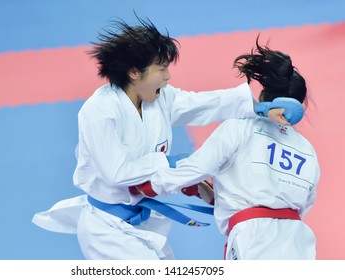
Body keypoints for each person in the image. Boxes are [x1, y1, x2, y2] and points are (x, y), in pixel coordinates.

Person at [32, 16, 305, 260]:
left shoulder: (160, 98)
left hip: (148, 219)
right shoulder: (99, 112)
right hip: (108, 229)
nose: (168, 76)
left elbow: (203, 104)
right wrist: (177, 166)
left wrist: (260, 107)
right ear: (134, 73)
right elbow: (117, 173)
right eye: (161, 69)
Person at [133, 38, 320, 260]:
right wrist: (220, 196)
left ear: (263, 96)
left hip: (253, 239)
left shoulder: (240, 126)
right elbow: (296, 205)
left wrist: (151, 185)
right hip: (300, 242)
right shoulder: (308, 151)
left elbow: (197, 167)